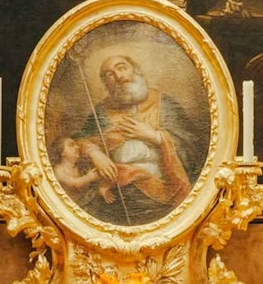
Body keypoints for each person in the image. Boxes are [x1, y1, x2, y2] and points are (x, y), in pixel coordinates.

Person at [76, 54, 205, 225]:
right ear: (106, 85)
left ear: (137, 71)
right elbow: (77, 142)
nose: (119, 77)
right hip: (117, 196)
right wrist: (94, 153)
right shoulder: (101, 112)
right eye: (110, 75)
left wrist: (155, 136)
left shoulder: (164, 104)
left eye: (122, 68)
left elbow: (193, 147)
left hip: (164, 197)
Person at [49, 135, 105, 206]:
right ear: (62, 152)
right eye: (71, 145)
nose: (77, 147)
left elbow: (93, 184)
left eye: (76, 144)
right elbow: (73, 183)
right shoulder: (59, 170)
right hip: (68, 205)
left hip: (83, 201)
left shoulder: (80, 166)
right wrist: (88, 177)